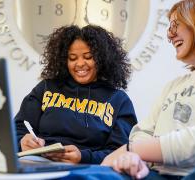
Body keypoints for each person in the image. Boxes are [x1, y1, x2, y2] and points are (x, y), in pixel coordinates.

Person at [101, 0, 195, 179]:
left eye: (176, 25)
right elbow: (143, 133)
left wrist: (133, 149)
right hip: (160, 173)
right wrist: (135, 159)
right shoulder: (174, 86)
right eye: (169, 27)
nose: (170, 35)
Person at [14, 25, 137, 164]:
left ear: (102, 59)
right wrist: (21, 141)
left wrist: (83, 157)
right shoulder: (46, 88)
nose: (79, 64)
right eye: (72, 58)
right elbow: (17, 128)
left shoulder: (119, 100)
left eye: (88, 57)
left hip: (88, 169)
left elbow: (121, 151)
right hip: (39, 164)